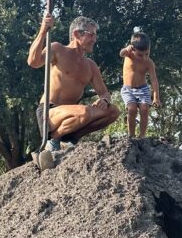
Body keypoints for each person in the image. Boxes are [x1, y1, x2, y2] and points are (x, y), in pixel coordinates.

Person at [27, 13, 119, 155]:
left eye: (95, 35)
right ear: (77, 34)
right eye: (91, 35)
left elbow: (104, 92)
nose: (95, 39)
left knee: (113, 111)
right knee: (85, 111)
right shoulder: (58, 49)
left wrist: (105, 100)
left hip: (74, 116)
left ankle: (70, 140)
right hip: (50, 113)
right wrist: (43, 30)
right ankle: (52, 141)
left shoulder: (91, 65)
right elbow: (33, 61)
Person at [119, 28, 161, 138]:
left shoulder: (149, 63)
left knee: (144, 110)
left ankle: (142, 136)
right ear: (132, 49)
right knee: (132, 110)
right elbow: (121, 53)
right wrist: (126, 49)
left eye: (147, 53)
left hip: (143, 89)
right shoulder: (128, 55)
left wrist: (156, 97)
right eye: (140, 54)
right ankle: (131, 135)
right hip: (128, 89)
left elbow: (154, 80)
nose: (144, 57)